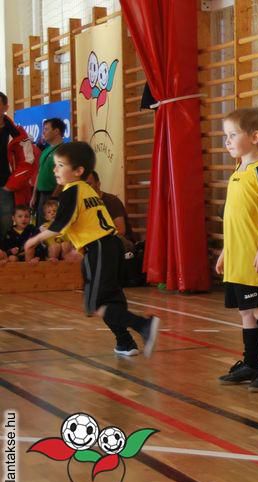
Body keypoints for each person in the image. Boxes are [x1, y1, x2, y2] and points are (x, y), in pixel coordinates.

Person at [24, 142, 160, 358]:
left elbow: (60, 224)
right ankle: (125, 342)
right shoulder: (87, 190)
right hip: (112, 245)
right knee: (112, 300)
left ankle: (143, 325)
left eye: (60, 165)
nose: (55, 170)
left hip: (99, 248)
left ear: (78, 171)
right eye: (55, 165)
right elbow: (81, 223)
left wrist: (33, 240)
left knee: (95, 305)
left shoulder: (71, 191)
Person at [216, 108, 258, 393]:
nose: (227, 141)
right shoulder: (238, 171)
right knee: (246, 312)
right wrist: (225, 251)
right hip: (237, 257)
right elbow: (235, 220)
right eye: (226, 136)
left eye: (233, 135)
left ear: (255, 137)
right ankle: (251, 363)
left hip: (255, 257)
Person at [1, 92, 37, 239]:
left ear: (5, 107)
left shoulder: (17, 134)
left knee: (6, 229)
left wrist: (9, 186)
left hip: (7, 190)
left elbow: (28, 162)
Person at [86, 170, 137, 251]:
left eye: (88, 184)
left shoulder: (111, 201)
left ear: (98, 184)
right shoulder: (82, 203)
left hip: (122, 243)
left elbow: (121, 231)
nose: (85, 188)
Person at [33, 117, 66, 225]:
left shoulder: (63, 150)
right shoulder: (45, 151)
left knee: (52, 226)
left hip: (54, 194)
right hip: (42, 195)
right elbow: (39, 173)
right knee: (41, 226)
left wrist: (54, 197)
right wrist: (34, 195)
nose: (43, 132)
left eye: (46, 129)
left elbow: (64, 177)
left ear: (56, 131)